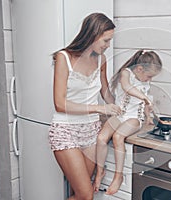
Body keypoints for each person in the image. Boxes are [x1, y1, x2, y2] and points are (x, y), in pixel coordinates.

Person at [48, 13, 121, 200]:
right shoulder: (64, 57)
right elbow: (60, 103)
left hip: (90, 131)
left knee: (79, 194)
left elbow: (105, 92)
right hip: (65, 130)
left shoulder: (101, 60)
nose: (108, 45)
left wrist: (123, 105)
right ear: (93, 34)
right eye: (106, 40)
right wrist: (99, 109)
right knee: (86, 195)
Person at [94, 50, 163, 195]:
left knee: (118, 137)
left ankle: (118, 176)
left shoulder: (145, 81)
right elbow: (127, 87)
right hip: (119, 114)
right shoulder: (126, 73)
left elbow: (143, 105)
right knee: (101, 139)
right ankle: (100, 171)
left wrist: (148, 116)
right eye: (149, 75)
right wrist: (144, 97)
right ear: (139, 69)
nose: (149, 79)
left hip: (134, 118)